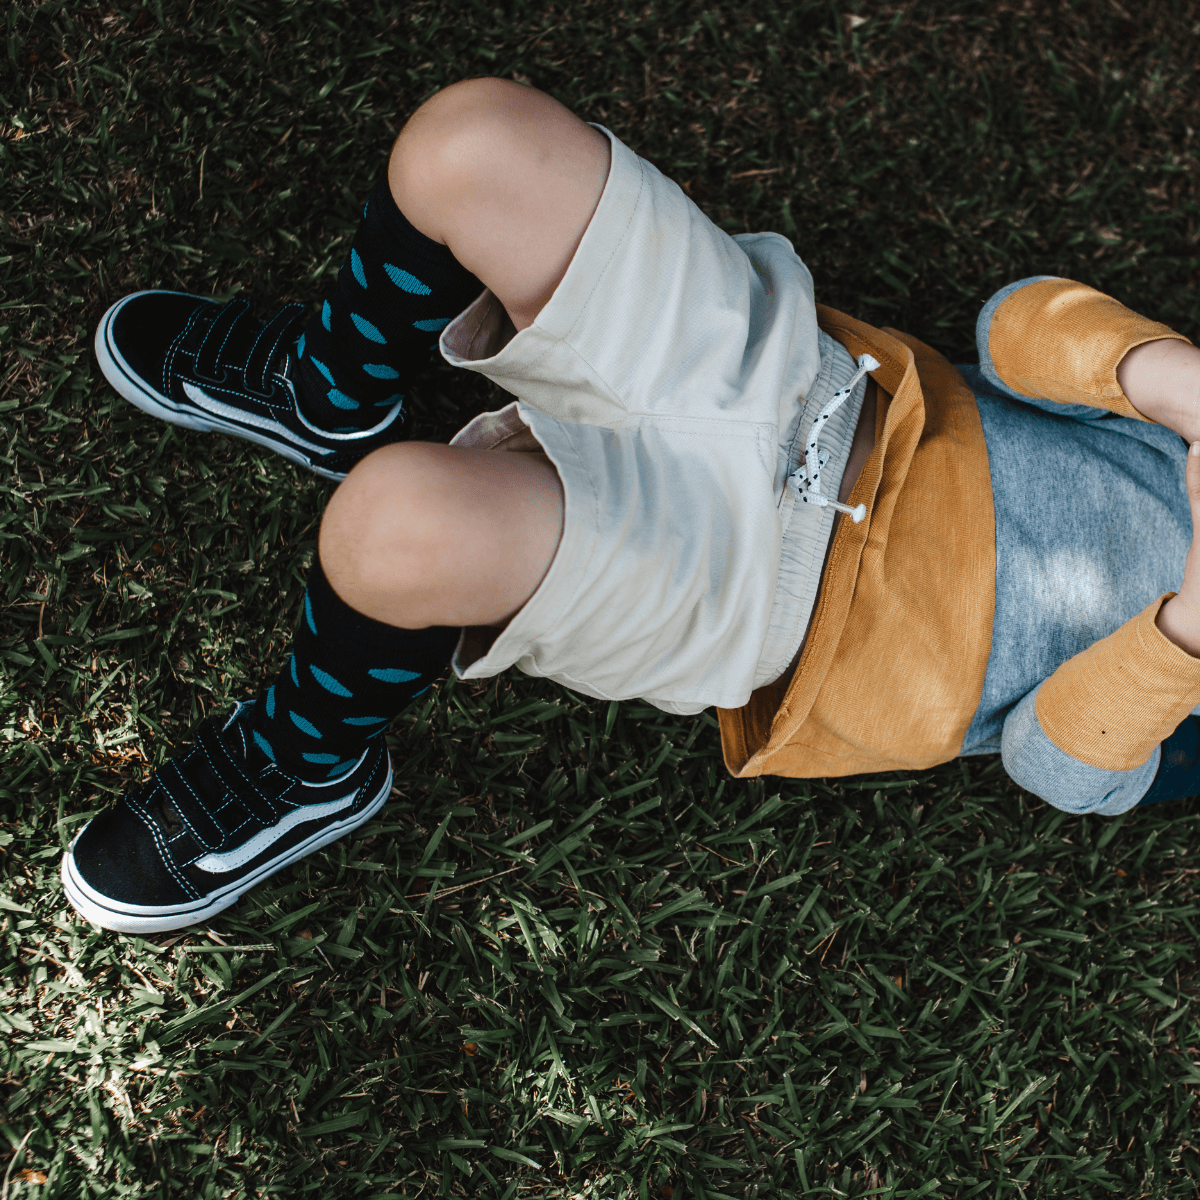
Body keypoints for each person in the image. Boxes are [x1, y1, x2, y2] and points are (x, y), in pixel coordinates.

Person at [61, 77, 1200, 934]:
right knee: (473, 141)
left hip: (770, 600)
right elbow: (1016, 325)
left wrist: (1186, 622)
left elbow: (1063, 765)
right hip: (801, 383)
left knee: (395, 525)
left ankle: (307, 762)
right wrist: (1174, 386)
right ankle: (328, 387)